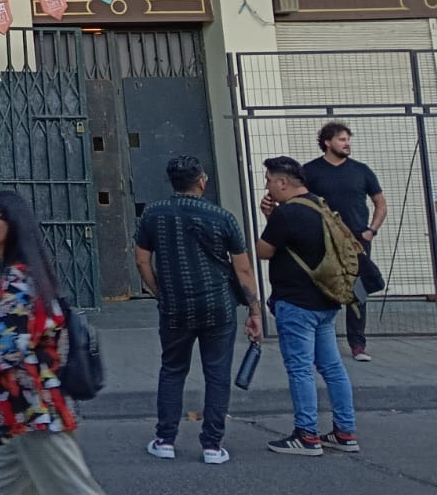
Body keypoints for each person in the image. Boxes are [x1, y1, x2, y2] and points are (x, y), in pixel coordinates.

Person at [0, 191, 105, 494]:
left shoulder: (18, 281)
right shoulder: (25, 275)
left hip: (37, 412)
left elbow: (6, 348)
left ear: (11, 224)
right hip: (21, 413)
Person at [135, 155, 261, 465]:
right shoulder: (222, 217)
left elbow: (141, 260)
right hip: (219, 306)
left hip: (175, 307)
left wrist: (159, 292)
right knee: (217, 374)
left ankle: (165, 440)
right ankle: (212, 446)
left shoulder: (153, 214)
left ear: (172, 182)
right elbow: (243, 269)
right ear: (201, 181)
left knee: (172, 369)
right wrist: (255, 310)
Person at [256, 155, 359, 456]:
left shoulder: (287, 214)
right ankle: (345, 432)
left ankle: (306, 435)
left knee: (300, 368)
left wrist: (271, 218)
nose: (266, 186)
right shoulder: (321, 206)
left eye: (268, 180)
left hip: (296, 304)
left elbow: (263, 251)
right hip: (326, 300)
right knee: (333, 367)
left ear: (282, 182)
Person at [300, 122, 385, 362]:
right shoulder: (310, 171)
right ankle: (318, 342)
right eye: (342, 139)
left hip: (357, 240)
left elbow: (380, 203)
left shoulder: (361, 170)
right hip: (322, 240)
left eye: (348, 139)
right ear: (327, 142)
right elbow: (299, 202)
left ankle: (358, 345)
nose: (347, 144)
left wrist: (371, 231)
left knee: (358, 290)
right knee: (321, 286)